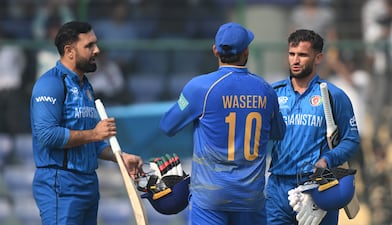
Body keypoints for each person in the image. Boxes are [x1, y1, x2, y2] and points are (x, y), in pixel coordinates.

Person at [159, 22, 286, 225]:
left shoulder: (199, 87)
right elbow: (279, 132)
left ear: (215, 50)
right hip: (250, 198)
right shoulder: (266, 90)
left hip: (210, 198)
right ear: (246, 52)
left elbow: (167, 125)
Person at [30, 21, 144, 225]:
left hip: (88, 183)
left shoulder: (86, 87)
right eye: (89, 45)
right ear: (69, 51)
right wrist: (94, 134)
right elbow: (46, 135)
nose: (97, 50)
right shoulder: (50, 84)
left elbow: (92, 142)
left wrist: (120, 157)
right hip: (60, 184)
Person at [265, 29, 360, 225]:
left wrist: (327, 159)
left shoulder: (334, 95)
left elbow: (351, 139)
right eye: (292, 54)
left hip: (318, 186)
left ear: (318, 58)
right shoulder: (273, 93)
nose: (295, 60)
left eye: (302, 55)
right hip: (278, 187)